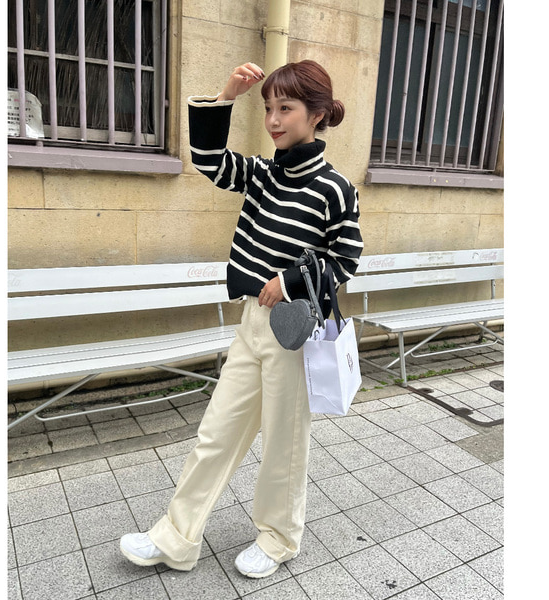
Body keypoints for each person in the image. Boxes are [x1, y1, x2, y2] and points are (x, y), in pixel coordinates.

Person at [120, 60, 363, 579]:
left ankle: (278, 539)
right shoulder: (261, 174)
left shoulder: (335, 188)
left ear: (317, 114)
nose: (273, 119)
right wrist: (227, 94)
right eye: (269, 108)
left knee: (283, 443)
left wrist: (289, 281)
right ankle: (176, 538)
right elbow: (209, 160)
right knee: (216, 432)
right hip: (251, 322)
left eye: (286, 108)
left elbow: (346, 258)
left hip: (292, 331)